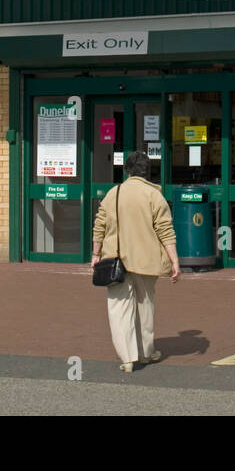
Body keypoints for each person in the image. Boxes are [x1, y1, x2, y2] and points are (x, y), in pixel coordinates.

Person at [91, 151, 180, 371]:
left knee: (119, 309)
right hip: (146, 261)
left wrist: (96, 254)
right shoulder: (154, 195)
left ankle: (127, 357)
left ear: (127, 170)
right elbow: (165, 231)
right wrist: (174, 261)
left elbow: (99, 225)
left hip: (116, 260)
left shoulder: (113, 194)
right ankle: (146, 352)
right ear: (147, 171)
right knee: (145, 307)